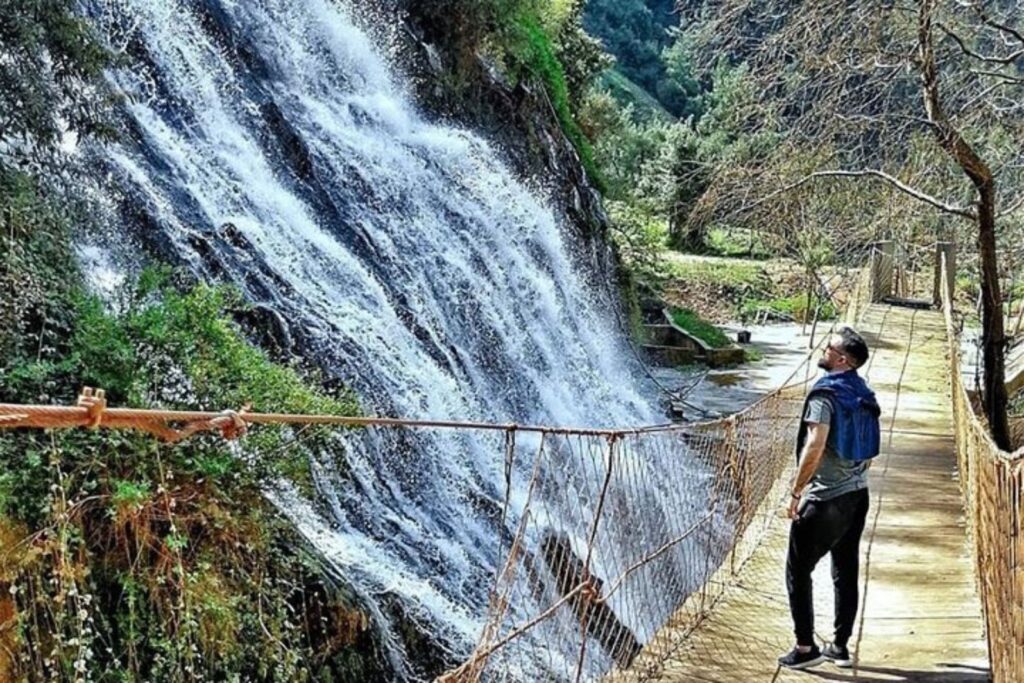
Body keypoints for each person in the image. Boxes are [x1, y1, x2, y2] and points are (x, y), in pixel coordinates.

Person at [777, 326, 880, 670]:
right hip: (858, 494)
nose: (823, 350)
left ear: (841, 359)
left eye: (829, 347)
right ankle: (839, 645)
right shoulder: (863, 392)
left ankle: (806, 648)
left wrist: (796, 492)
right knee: (845, 567)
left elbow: (816, 444)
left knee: (797, 571)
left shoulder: (825, 396)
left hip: (826, 500)